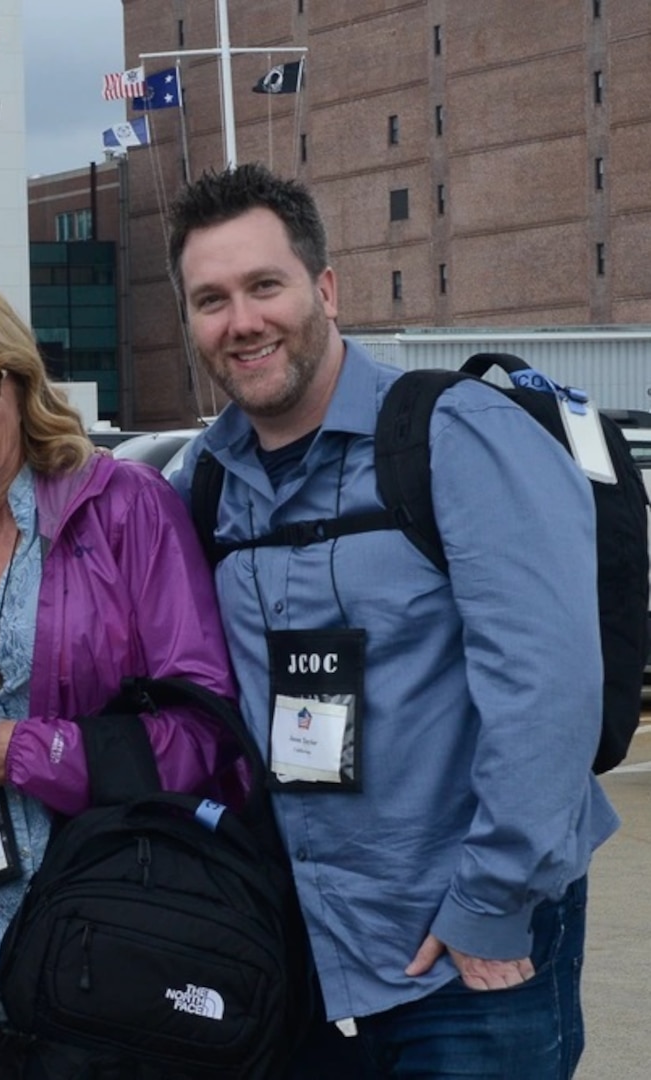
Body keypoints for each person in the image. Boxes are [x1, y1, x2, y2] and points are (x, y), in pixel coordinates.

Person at [165, 163, 616, 1078]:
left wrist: (488, 903)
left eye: (263, 286)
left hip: (468, 955)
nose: (239, 321)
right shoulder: (202, 482)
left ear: (324, 289)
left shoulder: (455, 435)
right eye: (209, 299)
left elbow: (547, 689)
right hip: (304, 951)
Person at [0, 270, 240, 1079]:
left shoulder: (124, 507)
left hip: (115, 926)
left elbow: (203, 724)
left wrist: (39, 753)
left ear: (19, 384)